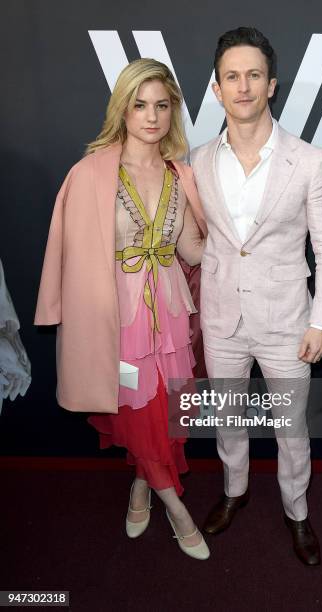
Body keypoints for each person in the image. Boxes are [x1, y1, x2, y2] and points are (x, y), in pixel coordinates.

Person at [35, 58, 210, 560]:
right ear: (123, 109)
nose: (151, 116)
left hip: (173, 314)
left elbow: (192, 248)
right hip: (117, 316)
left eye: (161, 105)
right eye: (140, 105)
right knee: (138, 412)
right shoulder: (90, 173)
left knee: (163, 410)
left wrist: (247, 253)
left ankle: (141, 485)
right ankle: (177, 510)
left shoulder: (183, 174)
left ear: (172, 111)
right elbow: (65, 250)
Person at [191, 27, 322, 565]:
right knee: (229, 419)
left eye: (253, 75)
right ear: (216, 88)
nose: (243, 86)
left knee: (290, 428)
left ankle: (297, 511)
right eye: (232, 76)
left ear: (272, 84)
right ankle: (234, 492)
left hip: (288, 322)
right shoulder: (199, 159)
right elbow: (201, 238)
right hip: (222, 318)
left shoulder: (309, 160)